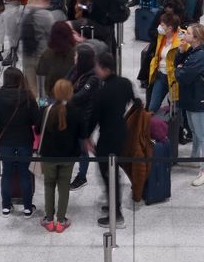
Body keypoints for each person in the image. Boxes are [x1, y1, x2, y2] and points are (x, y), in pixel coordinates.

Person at [90, 51, 135, 228]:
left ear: (105, 69)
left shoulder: (102, 91)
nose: (96, 70)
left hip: (107, 138)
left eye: (97, 67)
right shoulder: (125, 83)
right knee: (113, 171)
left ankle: (116, 215)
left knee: (108, 173)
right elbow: (136, 102)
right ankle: (113, 204)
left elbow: (94, 116)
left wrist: (86, 136)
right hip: (121, 133)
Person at [0, 67, 41, 217]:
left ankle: (6, 206)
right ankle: (27, 208)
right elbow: (36, 120)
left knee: (7, 173)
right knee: (25, 173)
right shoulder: (28, 96)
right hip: (25, 139)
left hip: (6, 141)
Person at [174, 24, 204, 187]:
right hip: (191, 98)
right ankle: (195, 158)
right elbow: (180, 66)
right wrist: (180, 52)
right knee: (194, 130)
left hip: (200, 100)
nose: (184, 34)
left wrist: (179, 69)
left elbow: (183, 76)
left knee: (203, 134)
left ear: (196, 38)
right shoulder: (192, 51)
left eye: (187, 33)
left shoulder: (201, 56)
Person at [38, 78, 87, 232]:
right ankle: (61, 221)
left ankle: (48, 219)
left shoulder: (46, 110)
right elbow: (82, 134)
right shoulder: (77, 111)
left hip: (48, 155)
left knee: (49, 185)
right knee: (64, 186)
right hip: (69, 156)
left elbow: (38, 131)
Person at [20, 0, 66, 97]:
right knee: (43, 90)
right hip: (41, 57)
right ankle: (42, 109)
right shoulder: (45, 15)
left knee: (32, 89)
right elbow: (53, 34)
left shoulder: (26, 11)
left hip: (27, 56)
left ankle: (34, 109)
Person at [68, 44, 100, 191]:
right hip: (73, 116)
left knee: (82, 148)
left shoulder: (93, 78)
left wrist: (66, 96)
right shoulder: (76, 70)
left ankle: (82, 176)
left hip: (85, 119)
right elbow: (64, 82)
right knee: (77, 146)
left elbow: (80, 96)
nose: (74, 57)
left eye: (76, 56)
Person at [145, 11, 183, 113]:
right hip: (160, 75)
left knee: (176, 109)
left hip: (173, 78)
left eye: (162, 25)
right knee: (152, 106)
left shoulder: (180, 41)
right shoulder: (161, 37)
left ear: (170, 28)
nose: (159, 27)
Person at [37, 21, 78, 102]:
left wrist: (42, 105)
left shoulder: (46, 55)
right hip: (71, 98)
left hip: (52, 99)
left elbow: (41, 83)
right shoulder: (76, 53)